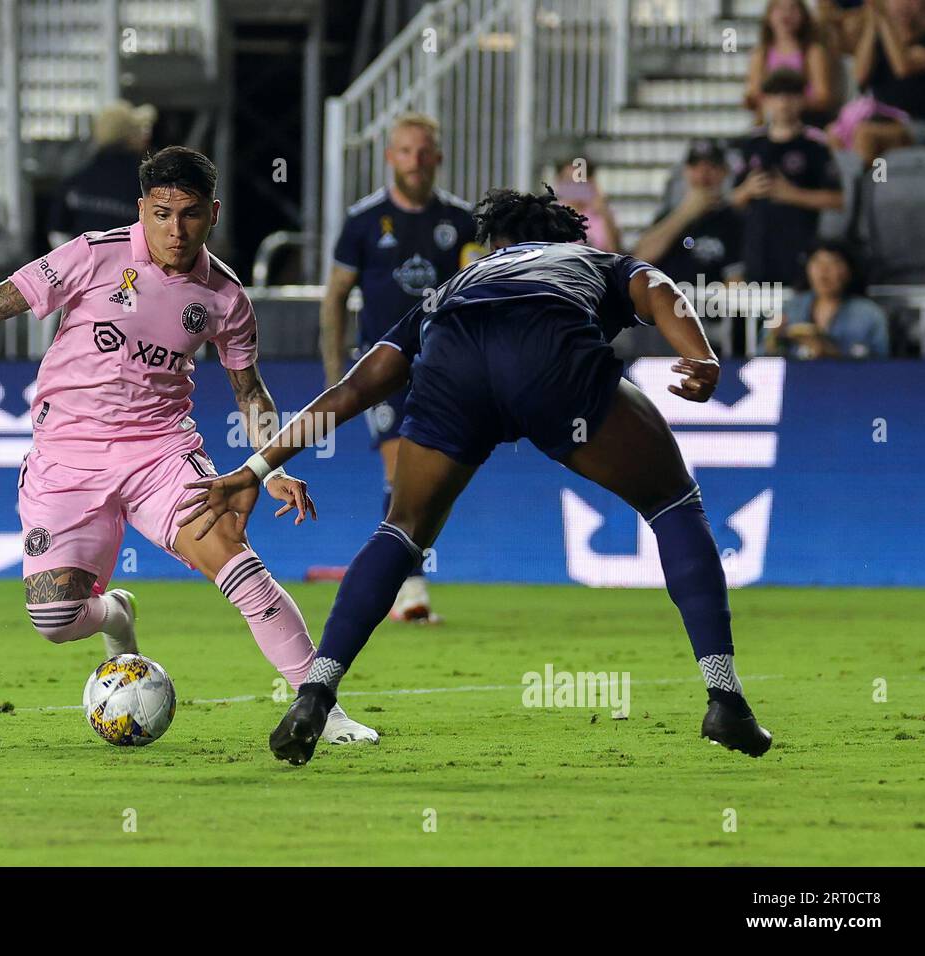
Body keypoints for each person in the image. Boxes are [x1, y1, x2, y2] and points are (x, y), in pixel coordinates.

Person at [179, 187, 773, 766]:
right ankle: (724, 698)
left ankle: (315, 694)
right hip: (551, 360)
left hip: (454, 364)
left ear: (497, 244)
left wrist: (257, 466)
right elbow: (658, 286)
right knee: (672, 503)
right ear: (563, 236)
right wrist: (701, 355)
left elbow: (356, 388)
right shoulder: (588, 258)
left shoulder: (454, 286)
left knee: (402, 530)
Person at [0, 146, 378, 746]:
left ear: (213, 214)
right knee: (53, 619)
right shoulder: (93, 255)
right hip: (67, 455)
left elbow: (250, 391)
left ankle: (321, 708)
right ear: (143, 208)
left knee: (233, 557)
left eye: (190, 214)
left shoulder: (225, 297)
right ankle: (116, 613)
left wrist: (267, 469)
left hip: (160, 454)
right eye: (162, 213)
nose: (175, 229)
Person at [322, 112, 481, 623]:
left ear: (439, 157)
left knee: (431, 481)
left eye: (424, 151)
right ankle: (408, 587)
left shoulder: (460, 222)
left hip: (443, 368)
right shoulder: (363, 220)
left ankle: (398, 577)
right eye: (405, 151)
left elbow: (475, 293)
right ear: (391, 157)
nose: (415, 161)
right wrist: (335, 374)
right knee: (399, 469)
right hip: (382, 367)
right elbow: (335, 297)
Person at [730, 68, 843, 287]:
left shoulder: (815, 145)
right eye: (776, 95)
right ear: (765, 100)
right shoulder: (751, 144)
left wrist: (793, 195)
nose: (783, 102)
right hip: (757, 251)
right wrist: (747, 190)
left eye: (790, 95)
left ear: (802, 100)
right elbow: (732, 200)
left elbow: (837, 200)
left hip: (799, 248)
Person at [46, 100, 157, 249]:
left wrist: (79, 263)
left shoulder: (76, 181)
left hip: (84, 267)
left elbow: (57, 232)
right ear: (132, 136)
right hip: (131, 269)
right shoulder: (149, 184)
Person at [633, 139, 744, 286]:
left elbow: (735, 280)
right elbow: (641, 257)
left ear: (724, 172)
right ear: (686, 171)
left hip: (708, 305)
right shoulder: (668, 215)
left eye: (711, 166)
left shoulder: (731, 221)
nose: (703, 174)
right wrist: (685, 213)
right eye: (695, 166)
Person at [835, 0, 925, 165]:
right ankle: (858, 186)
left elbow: (903, 67)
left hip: (919, 123)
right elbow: (859, 76)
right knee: (834, 133)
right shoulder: (880, 39)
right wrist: (873, 25)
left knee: (866, 135)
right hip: (879, 118)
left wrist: (885, 20)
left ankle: (865, 188)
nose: (903, 5)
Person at [763, 239, 889, 357]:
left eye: (834, 262)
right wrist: (774, 340)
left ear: (849, 270)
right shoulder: (789, 309)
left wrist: (829, 351)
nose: (823, 270)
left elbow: (881, 366)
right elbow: (760, 358)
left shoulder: (869, 314)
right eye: (817, 262)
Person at [744, 0, 837, 126]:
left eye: (793, 8)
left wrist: (790, 103)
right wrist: (773, 104)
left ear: (803, 16)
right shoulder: (760, 54)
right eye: (779, 8)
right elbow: (752, 95)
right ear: (769, 16)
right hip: (771, 123)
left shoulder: (813, 52)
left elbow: (823, 97)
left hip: (807, 121)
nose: (786, 13)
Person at [552, 155, 622, 252]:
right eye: (568, 180)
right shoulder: (552, 213)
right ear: (559, 181)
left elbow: (613, 251)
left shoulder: (600, 211)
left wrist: (604, 214)